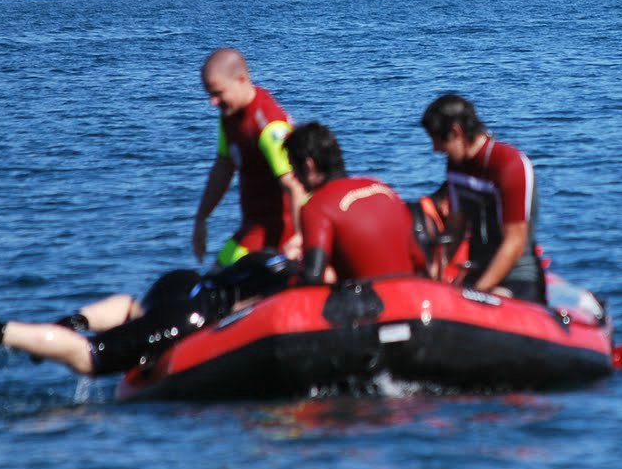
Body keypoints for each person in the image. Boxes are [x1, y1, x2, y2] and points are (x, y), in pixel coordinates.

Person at [0, 252, 291, 375]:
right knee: (90, 358)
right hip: (190, 316)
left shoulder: (283, 256)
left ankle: (73, 322)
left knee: (133, 309)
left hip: (186, 282)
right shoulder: (297, 278)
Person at [419, 93, 546, 303]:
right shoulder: (455, 165)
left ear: (456, 132)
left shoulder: (508, 165)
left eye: (438, 141)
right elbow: (455, 228)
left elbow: (514, 241)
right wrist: (433, 273)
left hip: (517, 277)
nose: (436, 149)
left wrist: (477, 292)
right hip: (477, 271)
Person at [192, 48, 305, 267]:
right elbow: (223, 167)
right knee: (212, 285)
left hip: (280, 232)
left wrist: (301, 237)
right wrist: (201, 218)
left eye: (217, 93)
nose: (212, 102)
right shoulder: (230, 117)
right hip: (253, 226)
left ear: (241, 80)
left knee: (220, 286)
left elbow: (295, 186)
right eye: (209, 94)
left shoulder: (269, 127)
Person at [286, 122, 426, 283]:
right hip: (414, 292)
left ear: (309, 165)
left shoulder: (316, 206)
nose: (294, 177)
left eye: (294, 168)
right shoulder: (381, 187)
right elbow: (419, 259)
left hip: (370, 302)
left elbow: (312, 277)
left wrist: (291, 266)